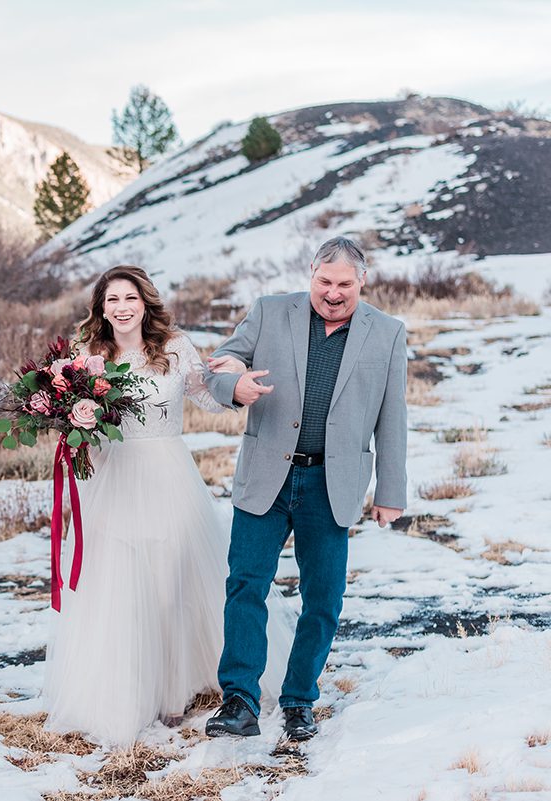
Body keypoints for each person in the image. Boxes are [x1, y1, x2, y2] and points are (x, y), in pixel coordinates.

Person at [43, 265, 296, 747]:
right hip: (112, 475)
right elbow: (70, 414)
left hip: (166, 471)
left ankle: (174, 690)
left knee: (168, 578)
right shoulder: (86, 354)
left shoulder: (175, 347)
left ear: (145, 303)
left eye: (130, 298)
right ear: (100, 307)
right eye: (111, 299)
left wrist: (236, 384)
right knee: (116, 578)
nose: (121, 307)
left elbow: (209, 397)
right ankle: (126, 688)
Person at [203, 236, 407, 741]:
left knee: (324, 597)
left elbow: (393, 416)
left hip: (331, 483)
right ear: (310, 274)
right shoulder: (271, 312)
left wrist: (391, 491)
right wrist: (235, 385)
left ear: (362, 281)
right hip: (267, 475)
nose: (332, 293)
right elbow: (221, 362)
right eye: (323, 281)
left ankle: (298, 700)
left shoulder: (387, 332)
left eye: (343, 284)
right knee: (246, 585)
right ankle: (240, 700)